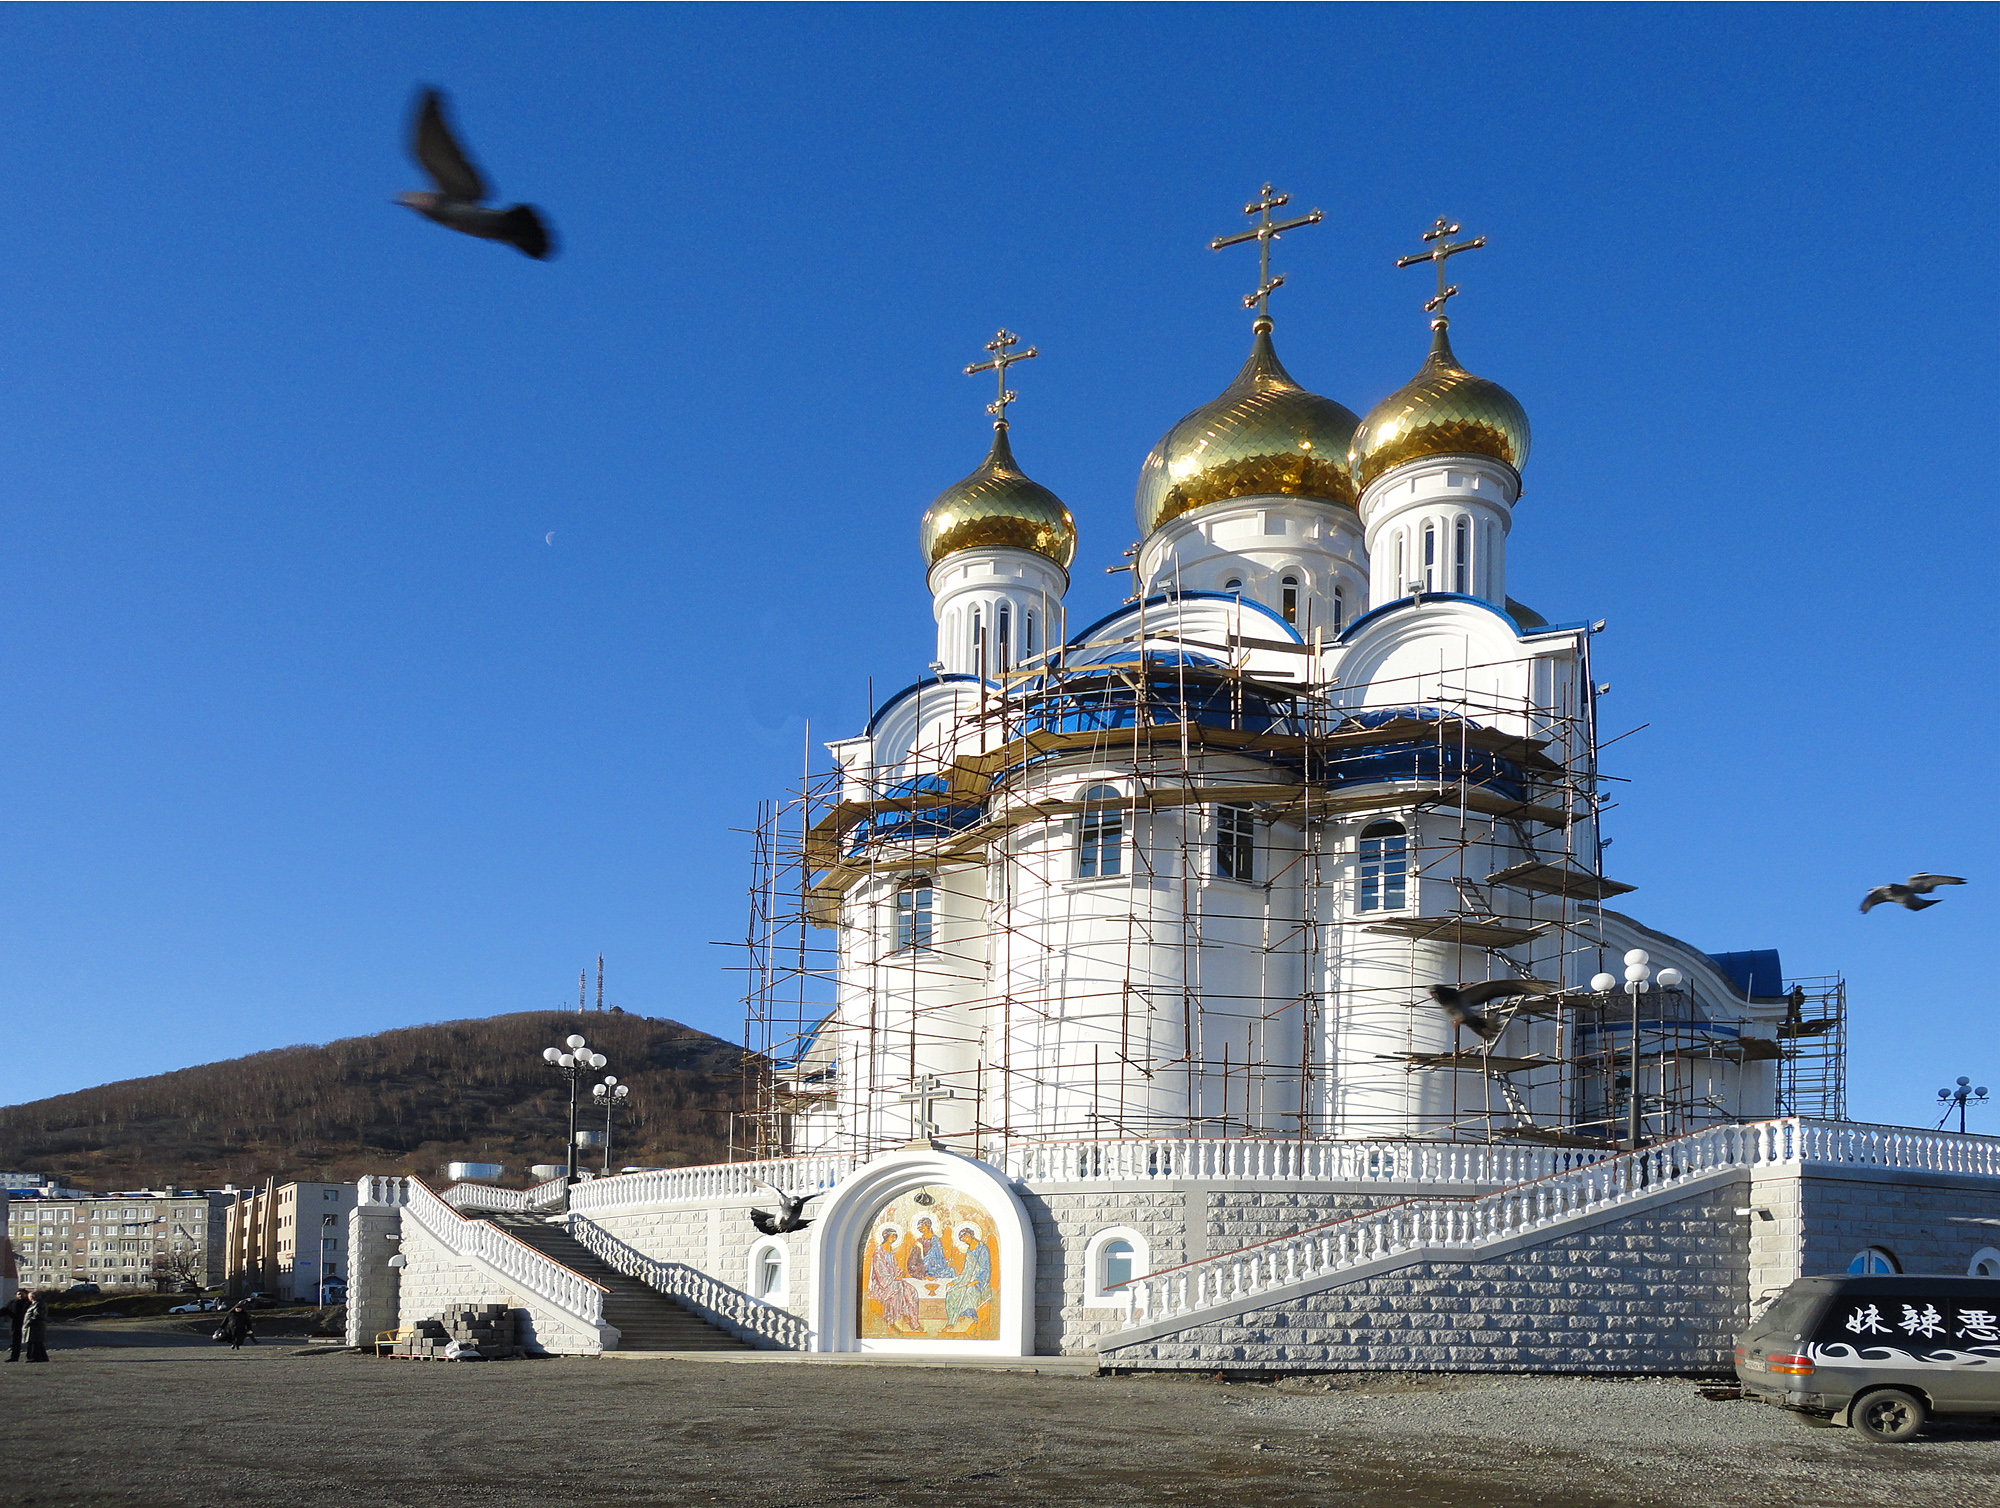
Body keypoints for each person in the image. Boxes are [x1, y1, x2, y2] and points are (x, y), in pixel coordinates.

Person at [21, 1291, 49, 1363]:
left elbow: (38, 1315)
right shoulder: (36, 1304)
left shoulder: (38, 1305)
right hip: (35, 1326)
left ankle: (34, 1357)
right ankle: (42, 1357)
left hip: (35, 1327)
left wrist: (30, 1321)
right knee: (37, 1343)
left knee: (34, 1342)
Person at [5, 1289, 30, 1362]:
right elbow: (5, 1310)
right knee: (15, 1341)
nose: (20, 1295)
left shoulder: (28, 1303)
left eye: (22, 1294)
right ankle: (14, 1357)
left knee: (30, 1341)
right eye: (19, 1294)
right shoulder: (12, 1303)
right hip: (15, 1324)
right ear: (16, 1295)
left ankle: (31, 1356)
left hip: (26, 1324)